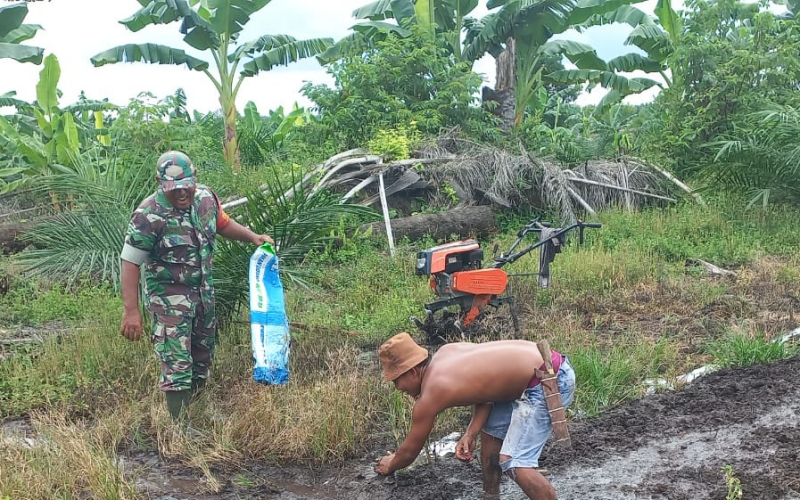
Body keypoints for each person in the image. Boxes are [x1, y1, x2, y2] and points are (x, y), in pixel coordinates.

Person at [119, 151, 273, 420]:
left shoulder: (205, 199)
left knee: (202, 356)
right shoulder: (148, 215)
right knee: (177, 362)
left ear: (195, 178)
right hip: (169, 302)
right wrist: (131, 311)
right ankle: (180, 427)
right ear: (159, 182)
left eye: (186, 186)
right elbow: (130, 263)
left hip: (203, 295)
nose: (181, 194)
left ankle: (198, 412)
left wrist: (252, 237)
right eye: (173, 189)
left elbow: (223, 224)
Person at [374, 333, 575, 500]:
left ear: (412, 371)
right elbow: (486, 393)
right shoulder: (446, 352)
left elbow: (410, 451)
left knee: (514, 460)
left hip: (548, 380)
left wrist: (390, 464)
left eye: (396, 381)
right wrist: (471, 433)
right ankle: (491, 496)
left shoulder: (432, 392)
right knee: (490, 438)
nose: (398, 389)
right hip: (537, 373)